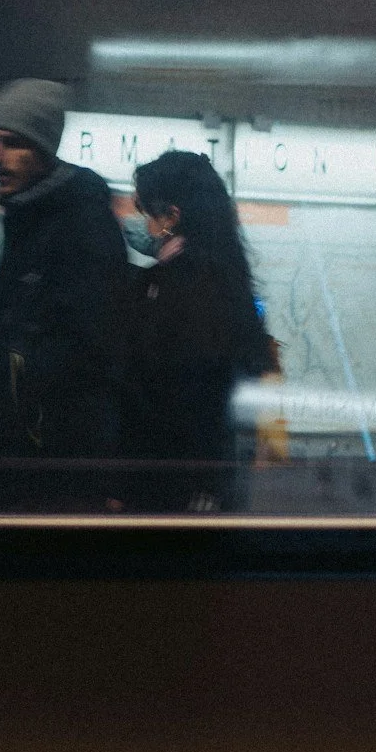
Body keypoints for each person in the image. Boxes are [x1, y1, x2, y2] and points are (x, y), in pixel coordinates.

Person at [0, 79, 134, 509]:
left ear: (44, 150)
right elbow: (7, 322)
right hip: (19, 453)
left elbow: (89, 350)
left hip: (53, 462)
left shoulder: (80, 226)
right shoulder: (29, 218)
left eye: (12, 144)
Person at [119, 149, 275, 512]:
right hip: (213, 476)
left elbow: (164, 388)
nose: (143, 227)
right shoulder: (228, 278)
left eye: (147, 214)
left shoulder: (182, 285)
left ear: (172, 217)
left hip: (173, 483)